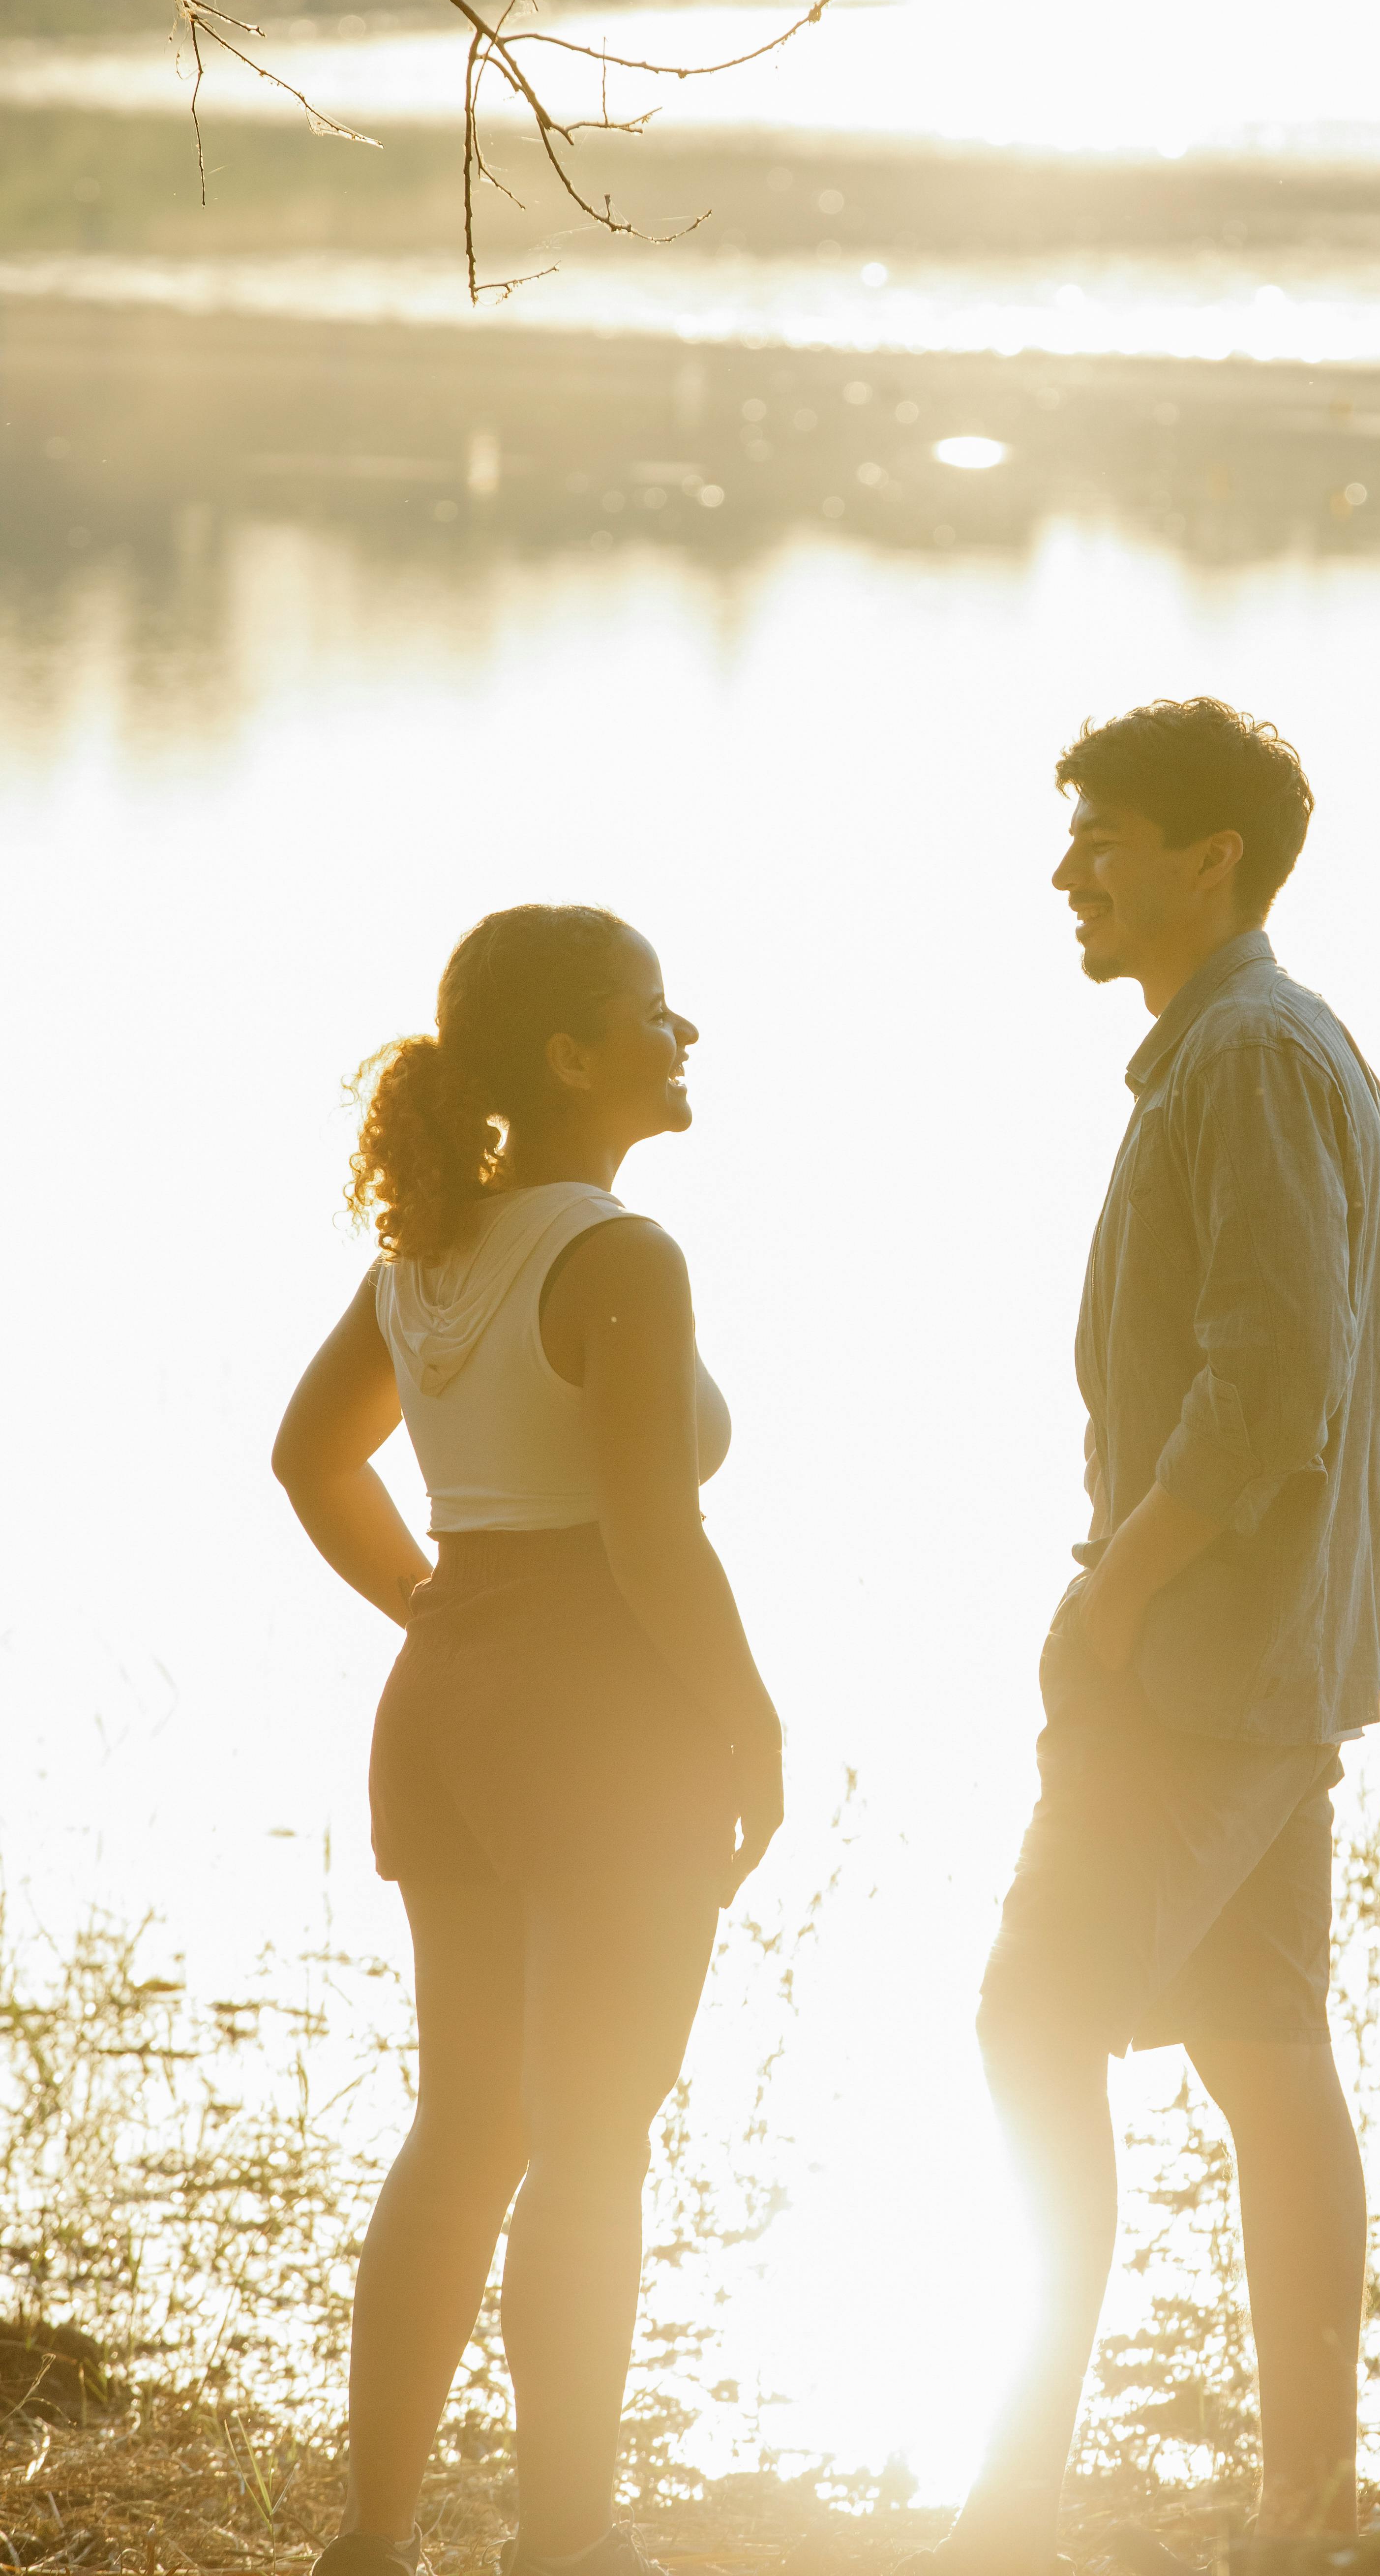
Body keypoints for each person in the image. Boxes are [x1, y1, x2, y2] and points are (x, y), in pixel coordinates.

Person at [941, 700, 1380, 2576]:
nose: (1066, 871)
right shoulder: (1286, 1048)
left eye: (1101, 836)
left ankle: (1007, 2514)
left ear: (1208, 859)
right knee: (1263, 2048)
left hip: (1196, 1676)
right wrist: (1299, 1606)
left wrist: (1123, 1591)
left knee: (1026, 2031)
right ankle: (1305, 2516)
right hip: (1271, 1669)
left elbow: (1277, 1391)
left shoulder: (1245, 1058)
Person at [271, 903, 783, 2576]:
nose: (682, 1032)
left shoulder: (428, 1252)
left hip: (448, 1705)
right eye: (652, 1011)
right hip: (598, 1714)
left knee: (467, 2121)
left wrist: (432, 1600)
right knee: (591, 2135)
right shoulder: (618, 1255)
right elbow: (648, 1529)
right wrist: (751, 1719)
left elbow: (311, 1463)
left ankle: (374, 2540)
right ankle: (567, 2542)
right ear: (571, 1057)